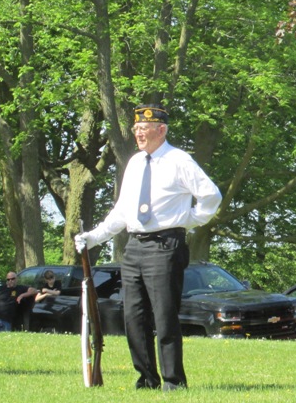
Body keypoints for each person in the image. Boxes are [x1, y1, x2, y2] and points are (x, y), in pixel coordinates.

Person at [75, 104, 221, 391]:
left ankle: (173, 381)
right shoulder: (135, 163)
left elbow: (210, 196)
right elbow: (122, 211)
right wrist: (93, 237)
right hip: (134, 246)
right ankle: (146, 378)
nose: (138, 134)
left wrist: (188, 220)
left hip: (165, 245)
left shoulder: (179, 160)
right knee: (133, 316)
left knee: (164, 316)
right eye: (136, 129)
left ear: (161, 130)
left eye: (144, 129)